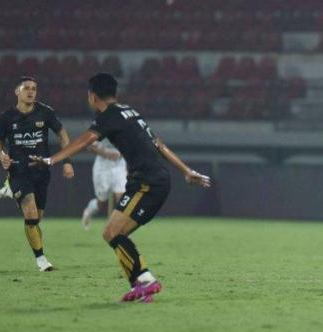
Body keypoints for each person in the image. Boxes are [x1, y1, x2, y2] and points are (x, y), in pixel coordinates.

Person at [30, 73, 211, 302]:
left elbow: (84, 141)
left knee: (114, 233)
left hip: (147, 183)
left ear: (92, 96)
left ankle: (146, 281)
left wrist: (51, 160)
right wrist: (185, 171)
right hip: (153, 179)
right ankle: (141, 284)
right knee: (114, 234)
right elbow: (159, 144)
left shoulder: (109, 116)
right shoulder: (130, 112)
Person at [0, 76, 75, 271]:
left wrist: (67, 161)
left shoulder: (45, 112)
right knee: (29, 213)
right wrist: (2, 156)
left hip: (41, 170)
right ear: (17, 92)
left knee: (36, 219)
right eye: (26, 88)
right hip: (18, 170)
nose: (31, 92)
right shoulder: (6, 117)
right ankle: (41, 260)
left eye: (34, 88)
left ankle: (8, 187)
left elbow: (62, 134)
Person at [81, 139, 127, 230]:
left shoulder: (127, 128)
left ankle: (121, 230)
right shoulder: (101, 127)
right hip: (102, 169)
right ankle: (89, 210)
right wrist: (106, 154)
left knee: (122, 200)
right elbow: (90, 146)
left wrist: (122, 153)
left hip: (119, 167)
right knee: (100, 202)